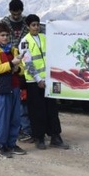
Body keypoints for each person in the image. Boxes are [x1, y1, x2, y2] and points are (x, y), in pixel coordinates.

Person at [20, 14, 69, 150]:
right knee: (37, 110)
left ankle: (55, 136)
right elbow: (28, 63)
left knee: (52, 109)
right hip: (34, 82)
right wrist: (38, 79)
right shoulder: (24, 42)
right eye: (33, 25)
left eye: (37, 25)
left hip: (49, 80)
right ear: (28, 26)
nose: (36, 27)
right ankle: (39, 137)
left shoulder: (45, 38)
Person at [0, 23, 26, 158]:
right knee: (3, 118)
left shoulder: (12, 50)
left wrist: (17, 68)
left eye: (7, 35)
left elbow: (21, 69)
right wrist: (12, 64)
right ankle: (2, 146)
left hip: (14, 87)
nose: (5, 38)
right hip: (1, 88)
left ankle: (12, 143)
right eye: (2, 35)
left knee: (15, 118)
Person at [5, 0, 32, 141]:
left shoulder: (28, 22)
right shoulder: (4, 23)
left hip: (27, 66)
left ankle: (26, 129)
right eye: (14, 13)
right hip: (10, 66)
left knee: (24, 100)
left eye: (19, 13)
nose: (16, 16)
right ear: (10, 11)